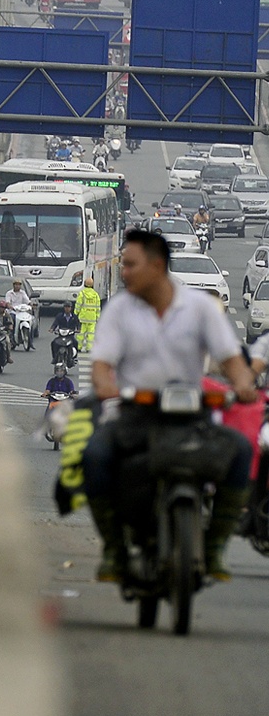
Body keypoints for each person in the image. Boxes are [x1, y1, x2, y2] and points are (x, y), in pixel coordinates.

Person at [82, 228, 257, 582]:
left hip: (192, 416)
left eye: (130, 265)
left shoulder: (199, 308)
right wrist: (105, 387)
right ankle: (114, 549)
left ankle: (214, 547)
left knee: (240, 451)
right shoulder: (119, 310)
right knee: (94, 455)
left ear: (157, 266)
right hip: (135, 414)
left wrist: (242, 383)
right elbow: (101, 364)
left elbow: (231, 359)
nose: (123, 272)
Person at [74, 279, 102, 352]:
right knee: (91, 334)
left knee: (81, 334)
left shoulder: (82, 294)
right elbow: (98, 307)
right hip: (92, 318)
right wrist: (98, 317)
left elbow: (78, 305)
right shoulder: (95, 295)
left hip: (83, 317)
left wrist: (75, 313)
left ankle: (79, 347)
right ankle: (89, 348)